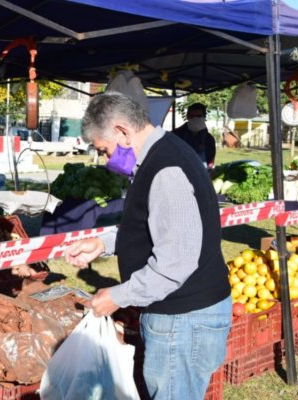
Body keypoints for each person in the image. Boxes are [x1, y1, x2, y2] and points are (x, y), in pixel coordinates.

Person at [65, 92, 231, 399]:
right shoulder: (164, 153)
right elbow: (157, 228)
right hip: (185, 315)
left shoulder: (166, 169)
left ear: (122, 133)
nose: (106, 160)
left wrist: (118, 295)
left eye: (105, 150)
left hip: (183, 318)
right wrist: (102, 244)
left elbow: (173, 265)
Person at [173, 102, 216, 169]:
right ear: (187, 116)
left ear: (204, 117)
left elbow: (210, 161)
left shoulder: (209, 139)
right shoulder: (175, 135)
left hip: (201, 175)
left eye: (199, 116)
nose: (195, 119)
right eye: (192, 116)